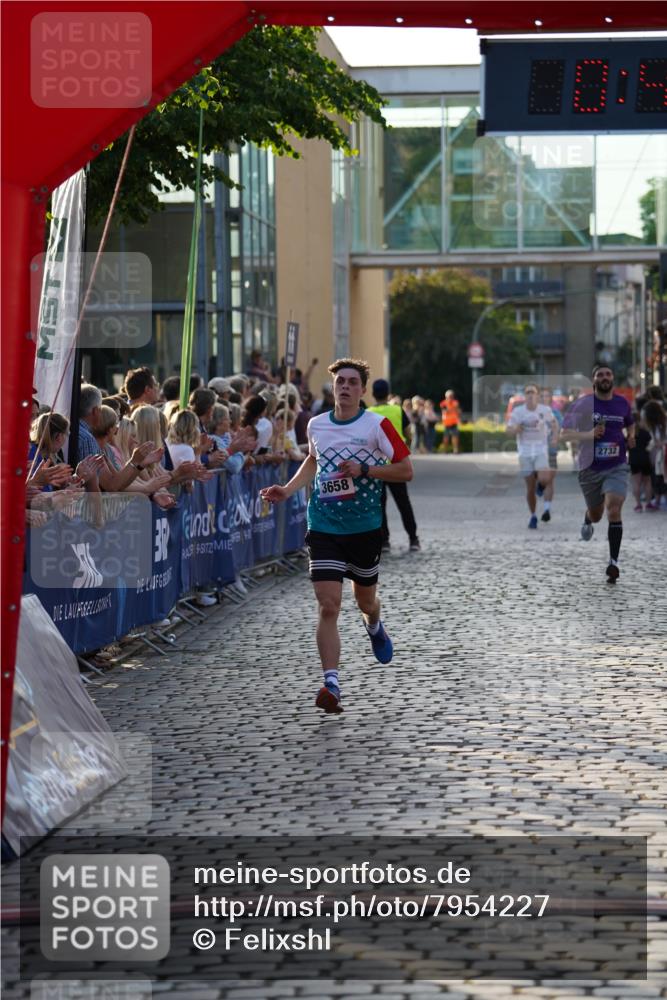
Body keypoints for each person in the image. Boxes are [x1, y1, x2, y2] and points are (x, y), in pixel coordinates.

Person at [260, 358, 412, 715]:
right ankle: (331, 683)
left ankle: (374, 624)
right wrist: (288, 489)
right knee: (329, 605)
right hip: (324, 524)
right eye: (340, 381)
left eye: (351, 382)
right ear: (333, 387)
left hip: (365, 527)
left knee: (365, 601)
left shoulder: (377, 425)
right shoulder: (317, 424)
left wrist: (365, 469)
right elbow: (314, 460)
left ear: (362, 389)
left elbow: (406, 470)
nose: (344, 387)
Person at [561, 365, 635, 583]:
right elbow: (564, 434)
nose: (604, 377)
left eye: (608, 374)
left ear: (613, 378)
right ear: (593, 380)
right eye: (600, 375)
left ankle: (613, 562)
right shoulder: (582, 405)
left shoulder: (622, 403)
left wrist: (631, 437)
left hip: (617, 465)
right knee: (597, 514)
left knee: (614, 508)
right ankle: (588, 518)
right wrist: (589, 434)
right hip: (590, 468)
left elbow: (630, 424)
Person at [368, 378, 420, 552]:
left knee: (379, 505)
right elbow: (408, 433)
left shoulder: (368, 413)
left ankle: (384, 541)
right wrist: (406, 447)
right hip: (396, 464)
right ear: (388, 393)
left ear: (373, 394)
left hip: (377, 467)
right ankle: (413, 539)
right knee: (403, 503)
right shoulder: (397, 410)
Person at [506, 383, 559, 529]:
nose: (530, 395)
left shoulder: (544, 410)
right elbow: (508, 430)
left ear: (537, 395)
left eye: (533, 392)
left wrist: (555, 437)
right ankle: (533, 516)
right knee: (530, 488)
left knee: (545, 478)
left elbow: (554, 424)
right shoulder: (518, 412)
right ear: (525, 396)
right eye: (528, 392)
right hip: (525, 452)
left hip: (540, 450)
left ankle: (540, 486)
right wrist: (515, 429)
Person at [536, 386, 564, 520]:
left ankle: (547, 509)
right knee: (542, 479)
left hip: (551, 451)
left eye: (546, 396)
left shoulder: (556, 413)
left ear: (550, 398)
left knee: (549, 480)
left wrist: (555, 438)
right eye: (541, 396)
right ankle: (539, 484)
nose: (543, 398)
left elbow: (560, 430)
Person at [439, 390, 462, 454]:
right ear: (446, 396)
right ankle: (445, 450)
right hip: (447, 423)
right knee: (446, 437)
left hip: (454, 422)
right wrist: (453, 409)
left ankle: (455, 449)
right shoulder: (443, 403)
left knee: (455, 436)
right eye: (449, 396)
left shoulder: (456, 402)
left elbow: (458, 411)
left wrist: (459, 418)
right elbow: (445, 411)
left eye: (451, 396)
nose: (450, 397)